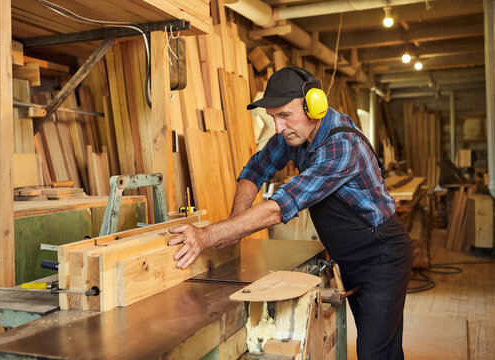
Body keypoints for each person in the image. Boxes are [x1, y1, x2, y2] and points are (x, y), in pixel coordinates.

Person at [168, 65, 413, 360]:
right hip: (351, 258)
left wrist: (206, 235)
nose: (279, 128)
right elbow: (254, 170)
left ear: (314, 107)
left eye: (285, 115)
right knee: (383, 347)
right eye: (274, 117)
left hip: (382, 256)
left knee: (375, 352)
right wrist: (233, 227)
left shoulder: (341, 146)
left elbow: (279, 208)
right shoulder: (295, 137)